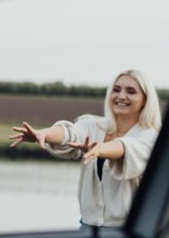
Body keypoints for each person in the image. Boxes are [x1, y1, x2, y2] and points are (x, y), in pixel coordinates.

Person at [9, 69, 161, 228]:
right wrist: (43, 134)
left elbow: (126, 147)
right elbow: (70, 133)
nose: (121, 96)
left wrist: (99, 149)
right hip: (87, 228)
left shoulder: (150, 137)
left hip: (126, 232)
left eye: (131, 91)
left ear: (145, 100)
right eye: (116, 90)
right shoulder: (94, 125)